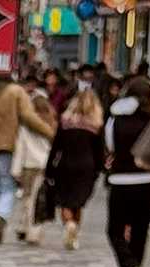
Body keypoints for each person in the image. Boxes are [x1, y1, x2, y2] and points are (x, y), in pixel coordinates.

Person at [0, 72, 56, 242]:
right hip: (8, 147)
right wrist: (50, 133)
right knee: (8, 187)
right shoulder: (15, 92)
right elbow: (28, 116)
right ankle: (1, 214)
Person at [105, 75, 150, 267]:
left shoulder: (115, 117)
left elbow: (110, 145)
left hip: (120, 179)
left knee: (114, 230)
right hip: (146, 180)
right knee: (140, 229)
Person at [45, 84, 105, 249]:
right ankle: (75, 230)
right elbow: (99, 152)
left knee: (65, 201)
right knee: (78, 202)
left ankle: (69, 225)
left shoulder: (65, 122)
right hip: (86, 167)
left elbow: (56, 148)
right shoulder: (95, 125)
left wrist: (49, 169)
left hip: (65, 165)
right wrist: (99, 169)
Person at [13, 91, 55, 242]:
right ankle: (32, 228)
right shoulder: (52, 125)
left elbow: (20, 147)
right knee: (40, 199)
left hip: (29, 165)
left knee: (29, 199)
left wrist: (15, 170)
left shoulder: (26, 126)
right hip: (45, 165)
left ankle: (29, 229)